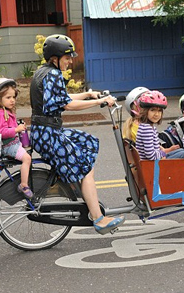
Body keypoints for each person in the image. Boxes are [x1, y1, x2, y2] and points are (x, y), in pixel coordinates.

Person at [30, 34, 124, 235]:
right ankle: (98, 218)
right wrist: (99, 102)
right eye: (67, 57)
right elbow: (67, 104)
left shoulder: (43, 72)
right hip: (50, 134)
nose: (70, 61)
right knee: (85, 169)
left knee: (87, 142)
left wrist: (88, 94)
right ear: (55, 58)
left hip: (44, 132)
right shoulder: (53, 75)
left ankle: (78, 187)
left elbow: (61, 97)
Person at [0, 77, 33, 198]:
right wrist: (16, 129)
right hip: (9, 146)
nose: (12, 100)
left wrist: (17, 127)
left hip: (13, 143)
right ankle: (23, 185)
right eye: (8, 97)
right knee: (27, 159)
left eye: (13, 97)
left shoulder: (5, 111)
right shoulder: (0, 114)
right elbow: (1, 132)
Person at [134, 91, 184, 160]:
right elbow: (150, 156)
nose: (156, 114)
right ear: (145, 111)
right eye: (153, 110)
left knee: (182, 151)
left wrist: (166, 150)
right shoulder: (146, 129)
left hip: (155, 161)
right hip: (152, 165)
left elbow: (154, 147)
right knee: (183, 154)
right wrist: (163, 154)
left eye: (159, 111)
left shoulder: (147, 126)